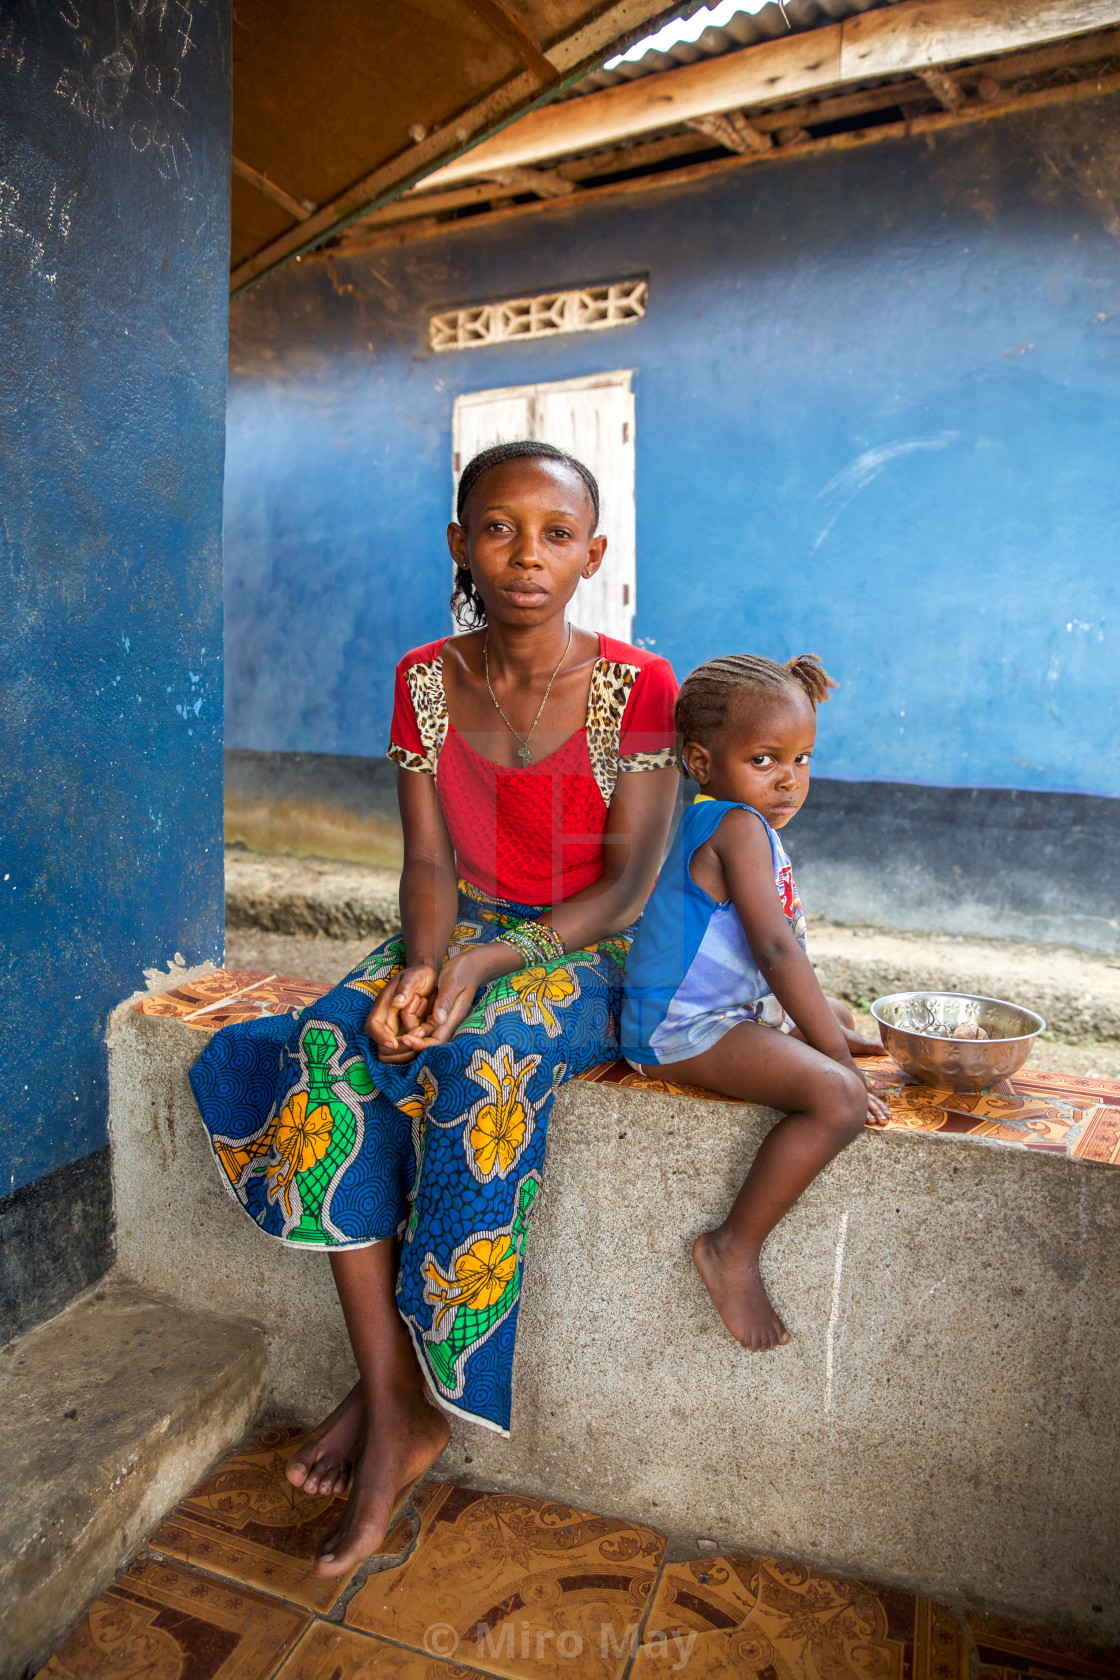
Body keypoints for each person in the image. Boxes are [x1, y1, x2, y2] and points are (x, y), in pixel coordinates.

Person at [189, 441, 678, 1575]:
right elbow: (424, 863)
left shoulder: (634, 686)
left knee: (480, 1061)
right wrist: (419, 970)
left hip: (581, 952)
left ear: (592, 555)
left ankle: (422, 1388)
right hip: (458, 927)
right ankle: (391, 1398)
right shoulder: (422, 675)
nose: (526, 555)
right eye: (499, 529)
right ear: (460, 545)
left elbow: (627, 890)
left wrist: (477, 973)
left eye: (557, 534)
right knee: (331, 1040)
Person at [620, 652, 889, 1355]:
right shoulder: (736, 827)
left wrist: (826, 1021)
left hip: (720, 1013)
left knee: (840, 1022)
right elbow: (776, 953)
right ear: (701, 761)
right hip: (680, 1028)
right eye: (765, 758)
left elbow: (763, 955)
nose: (789, 778)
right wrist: (837, 1060)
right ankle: (731, 1249)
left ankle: (827, 1039)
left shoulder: (739, 824)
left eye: (801, 758)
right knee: (836, 1100)